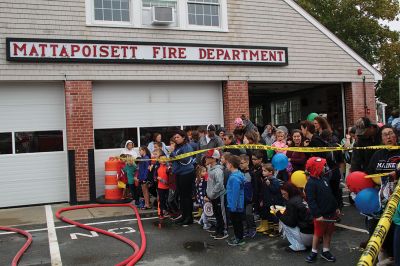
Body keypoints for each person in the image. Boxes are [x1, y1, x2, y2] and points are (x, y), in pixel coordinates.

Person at [366, 125, 400, 261]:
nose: (388, 137)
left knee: (394, 227)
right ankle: (383, 254)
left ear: (395, 136)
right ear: (381, 139)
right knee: (376, 225)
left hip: (397, 198)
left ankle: (394, 254)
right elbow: (369, 173)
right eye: (385, 135)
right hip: (380, 197)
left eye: (390, 133)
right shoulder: (377, 154)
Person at [304, 157, 340, 263]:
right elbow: (311, 201)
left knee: (328, 233)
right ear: (316, 168)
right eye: (323, 166)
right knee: (318, 234)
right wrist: (317, 214)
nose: (325, 167)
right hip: (320, 215)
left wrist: (336, 207)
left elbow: (330, 195)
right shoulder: (310, 184)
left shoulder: (324, 179)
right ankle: (314, 252)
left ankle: (326, 251)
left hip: (330, 212)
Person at [275, 182, 313, 252]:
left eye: (284, 194)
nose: (283, 196)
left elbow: (291, 223)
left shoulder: (291, 202)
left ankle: (299, 245)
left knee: (283, 222)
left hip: (307, 236)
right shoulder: (300, 196)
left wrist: (278, 214)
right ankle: (303, 244)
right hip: (314, 235)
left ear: (290, 192)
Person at [170, 130, 195, 226]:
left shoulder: (187, 147)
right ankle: (184, 216)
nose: (176, 139)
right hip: (179, 173)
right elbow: (173, 159)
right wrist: (172, 155)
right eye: (175, 138)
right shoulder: (177, 147)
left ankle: (189, 218)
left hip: (187, 173)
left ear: (183, 137)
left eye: (178, 137)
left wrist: (174, 154)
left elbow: (186, 161)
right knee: (181, 197)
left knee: (186, 197)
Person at [204, 149, 228, 240]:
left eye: (208, 157)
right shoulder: (210, 168)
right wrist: (208, 193)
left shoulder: (218, 171)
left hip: (218, 196)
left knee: (221, 213)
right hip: (213, 195)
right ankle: (218, 229)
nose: (206, 158)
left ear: (214, 159)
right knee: (217, 213)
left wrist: (213, 193)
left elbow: (220, 184)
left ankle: (223, 231)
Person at [226, 155, 246, 246]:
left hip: (236, 205)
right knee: (236, 222)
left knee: (237, 222)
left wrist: (233, 206)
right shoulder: (237, 174)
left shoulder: (234, 178)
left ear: (231, 164)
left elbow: (235, 194)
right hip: (236, 204)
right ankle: (237, 236)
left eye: (227, 163)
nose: (226, 165)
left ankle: (239, 239)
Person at [260, 163, 283, 237]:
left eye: (265, 171)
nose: (263, 172)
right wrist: (262, 200)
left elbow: (275, 190)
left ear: (270, 172)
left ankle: (276, 231)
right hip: (267, 201)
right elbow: (263, 191)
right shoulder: (265, 180)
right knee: (269, 216)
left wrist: (269, 184)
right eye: (262, 170)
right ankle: (270, 229)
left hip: (274, 202)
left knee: (274, 216)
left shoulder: (274, 180)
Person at [239, 154, 256, 239]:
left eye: (242, 163)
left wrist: (254, 198)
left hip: (249, 199)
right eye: (239, 163)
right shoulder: (239, 173)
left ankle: (252, 229)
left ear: (248, 162)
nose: (240, 165)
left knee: (248, 214)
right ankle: (246, 229)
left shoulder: (252, 174)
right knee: (243, 215)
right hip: (241, 198)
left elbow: (255, 187)